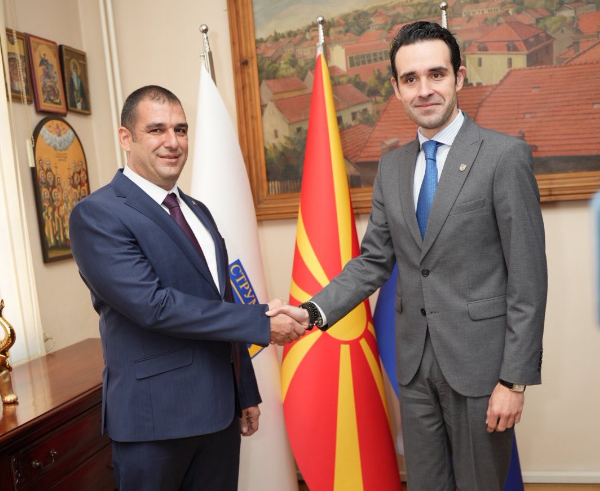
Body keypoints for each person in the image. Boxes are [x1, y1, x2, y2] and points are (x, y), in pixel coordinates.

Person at [270, 21, 547, 490]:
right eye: (410, 79)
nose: (424, 90)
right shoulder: (392, 167)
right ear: (397, 89)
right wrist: (311, 311)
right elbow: (373, 261)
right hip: (414, 367)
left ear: (459, 77)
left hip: (481, 369)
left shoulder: (504, 157)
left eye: (436, 74)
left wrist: (514, 381)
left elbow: (528, 280)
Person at [69, 85, 305, 491]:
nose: (173, 142)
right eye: (157, 130)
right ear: (126, 138)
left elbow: (222, 299)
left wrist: (244, 390)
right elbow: (153, 305)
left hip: (220, 415)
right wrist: (261, 323)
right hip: (154, 423)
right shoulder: (97, 215)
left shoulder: (198, 211)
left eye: (180, 130)